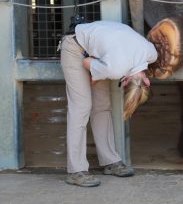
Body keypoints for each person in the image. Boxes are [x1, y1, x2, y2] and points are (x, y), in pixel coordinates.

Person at [60, 15, 158, 187]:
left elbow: (100, 67)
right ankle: (76, 171)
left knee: (102, 106)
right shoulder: (115, 69)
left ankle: (110, 161)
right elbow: (86, 62)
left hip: (101, 52)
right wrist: (98, 74)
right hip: (75, 48)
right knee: (82, 106)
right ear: (125, 81)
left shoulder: (151, 54)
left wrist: (98, 74)